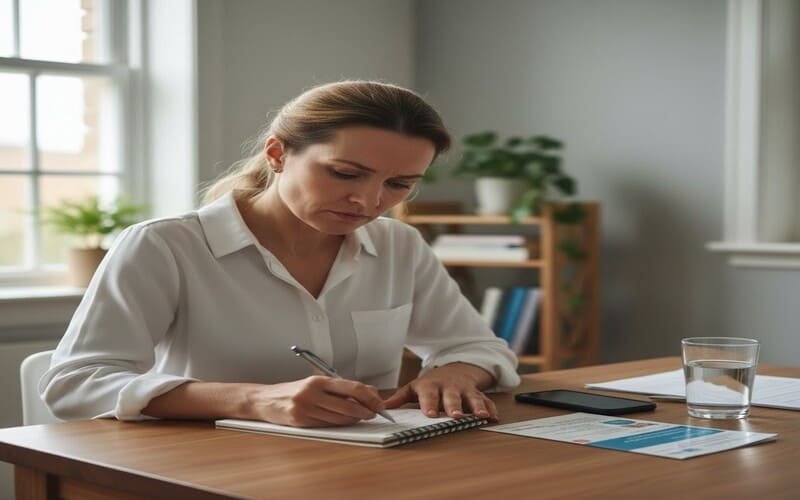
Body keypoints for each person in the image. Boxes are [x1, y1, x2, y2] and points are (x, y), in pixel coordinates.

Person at [40, 81, 520, 427]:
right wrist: (252, 400)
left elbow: (480, 347)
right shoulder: (165, 246)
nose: (369, 201)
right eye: (345, 173)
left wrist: (455, 370)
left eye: (398, 184)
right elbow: (75, 383)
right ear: (277, 154)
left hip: (365, 468)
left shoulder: (400, 244)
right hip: (204, 469)